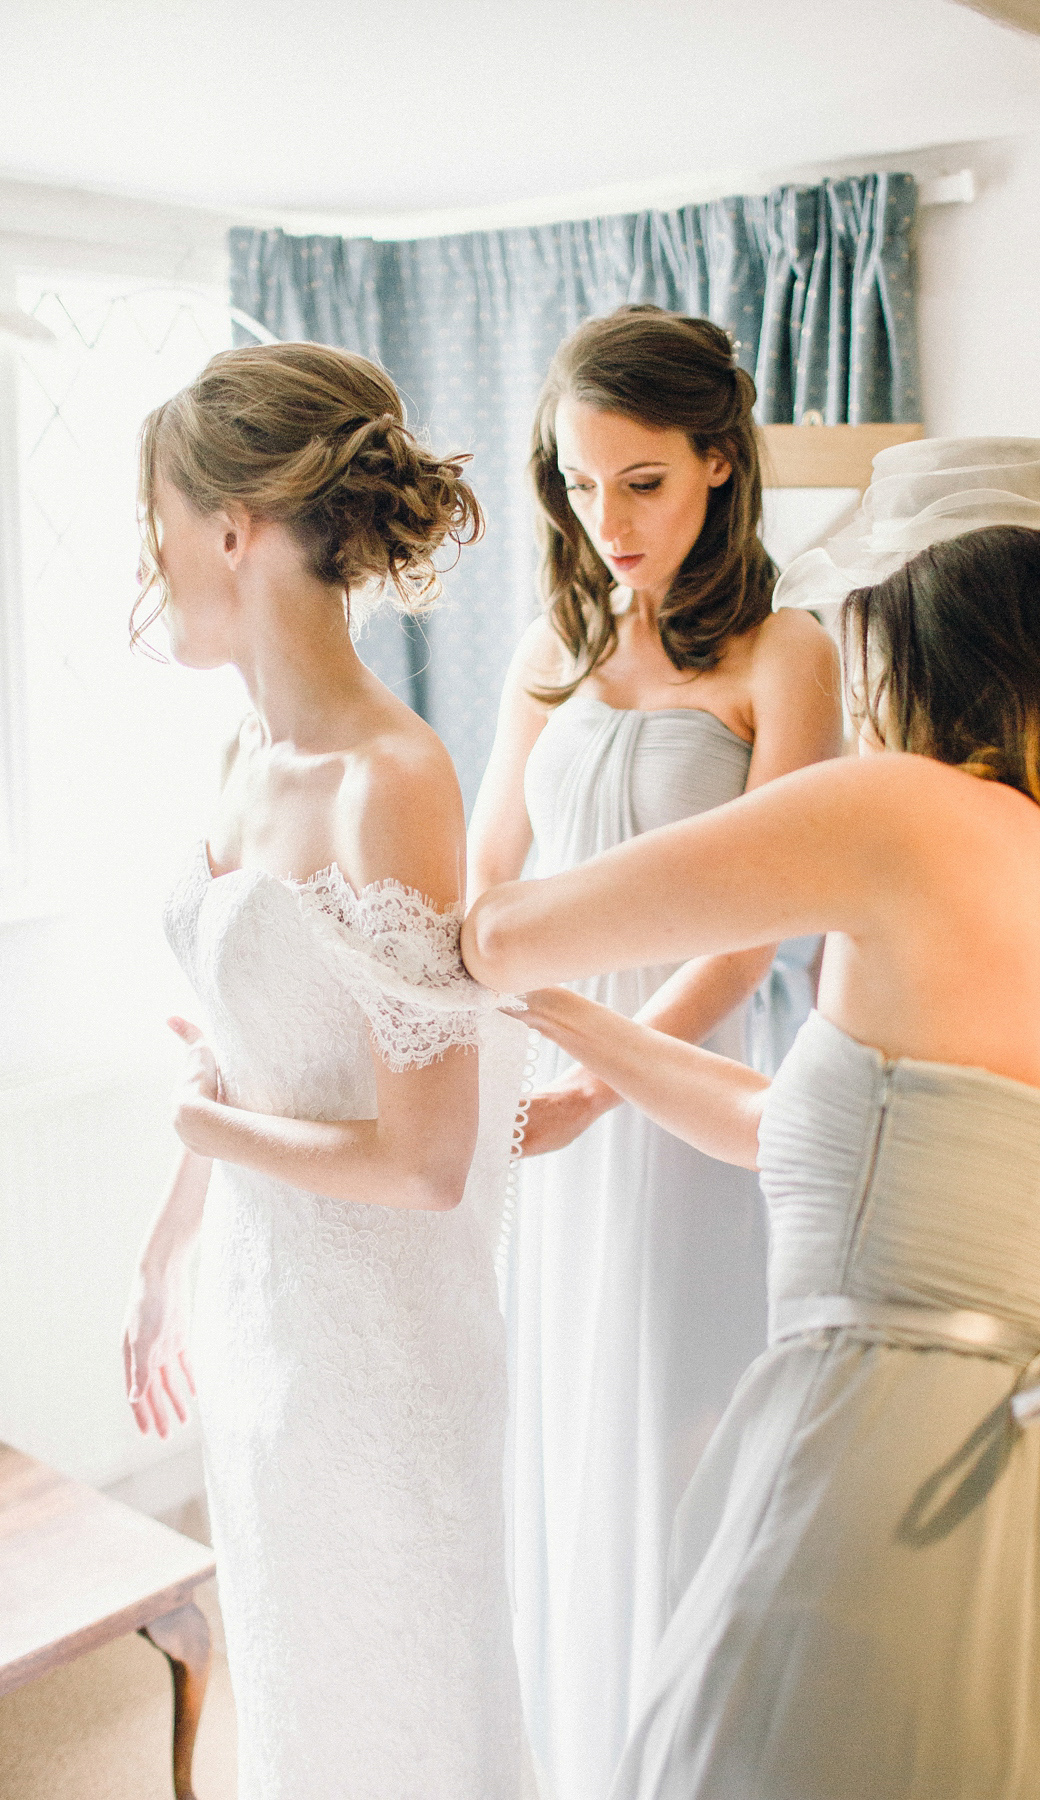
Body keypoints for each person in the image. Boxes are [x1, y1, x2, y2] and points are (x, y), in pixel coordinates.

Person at [464, 508, 1040, 1798]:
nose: (861, 733)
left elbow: (513, 930)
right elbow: (796, 1139)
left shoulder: (917, 811)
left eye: (870, 698)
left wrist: (459, 928)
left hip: (898, 1479)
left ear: (942, 689)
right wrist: (590, 1046)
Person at [120, 342, 525, 1800]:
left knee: (399, 1702)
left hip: (384, 1351)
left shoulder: (389, 783)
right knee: (299, 1695)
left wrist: (208, 1130)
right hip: (262, 1309)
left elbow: (424, 1160)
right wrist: (168, 1249)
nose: (149, 556)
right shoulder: (243, 753)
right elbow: (250, 1051)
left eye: (157, 518)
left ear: (232, 528)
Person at [467, 304, 843, 1799]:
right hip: (548, 1085)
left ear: (717, 467)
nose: (605, 519)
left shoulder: (785, 651)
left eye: (644, 481)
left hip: (684, 1098)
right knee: (562, 1424)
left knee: (680, 1425)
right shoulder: (550, 645)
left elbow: (760, 925)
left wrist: (604, 1077)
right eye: (577, 482)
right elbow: (489, 879)